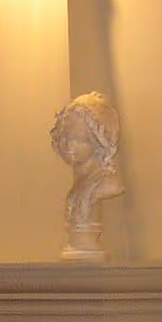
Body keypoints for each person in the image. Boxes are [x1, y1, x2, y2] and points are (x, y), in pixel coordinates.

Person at [50, 91, 123, 228]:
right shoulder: (78, 186)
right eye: (64, 136)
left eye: (79, 139)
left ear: (98, 141)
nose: (68, 145)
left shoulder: (106, 184)